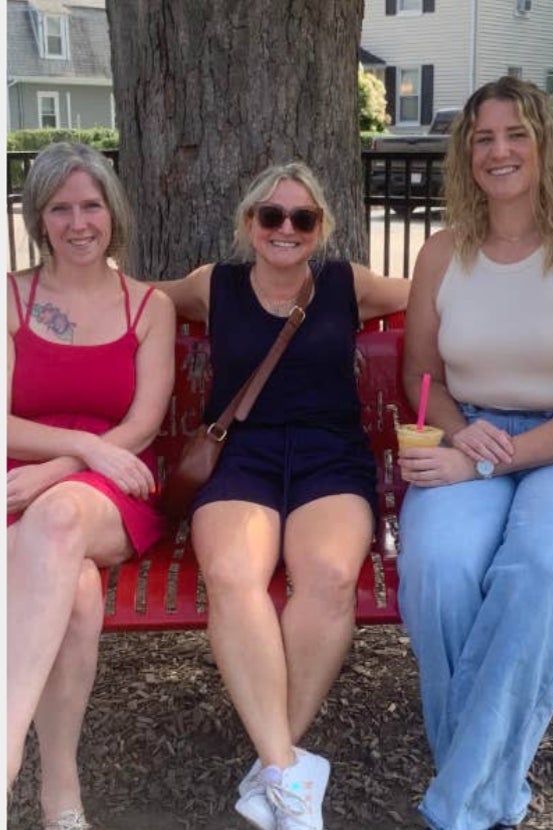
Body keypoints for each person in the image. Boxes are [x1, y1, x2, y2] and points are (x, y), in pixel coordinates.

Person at [396, 76, 553, 830]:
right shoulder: (441, 254)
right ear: (466, 156)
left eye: (516, 134)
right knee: (438, 569)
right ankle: (483, 791)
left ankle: (456, 807)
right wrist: (460, 432)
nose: (499, 151)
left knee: (539, 571)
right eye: (483, 137)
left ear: (546, 146)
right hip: (476, 434)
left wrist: (489, 459)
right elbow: (419, 376)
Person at [157, 162, 409, 830]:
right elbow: (130, 300)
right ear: (249, 224)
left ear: (320, 226)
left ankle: (275, 767)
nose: (286, 229)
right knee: (234, 572)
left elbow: (434, 292)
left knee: (327, 576)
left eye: (303, 218)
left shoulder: (346, 284)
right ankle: (292, 778)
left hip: (332, 457)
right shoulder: (213, 286)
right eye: (272, 216)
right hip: (243, 457)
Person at [5, 142, 174, 829]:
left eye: (91, 205)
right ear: (39, 219)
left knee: (60, 519)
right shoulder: (11, 296)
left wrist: (69, 468)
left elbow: (142, 424)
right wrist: (75, 448)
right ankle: (61, 795)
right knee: (73, 592)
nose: (78, 222)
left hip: (114, 490)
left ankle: (6, 747)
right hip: (24, 479)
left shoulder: (148, 306)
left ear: (114, 213)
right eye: (61, 208)